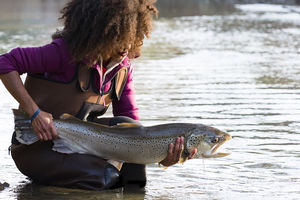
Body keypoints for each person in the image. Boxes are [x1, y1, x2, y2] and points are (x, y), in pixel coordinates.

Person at [0, 0, 196, 191]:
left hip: (81, 144)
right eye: (121, 38)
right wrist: (34, 113)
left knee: (133, 135)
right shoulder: (62, 53)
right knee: (104, 178)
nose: (130, 49)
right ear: (102, 32)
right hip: (36, 147)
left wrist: (161, 157)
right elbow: (4, 63)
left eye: (133, 38)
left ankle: (135, 193)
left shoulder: (123, 68)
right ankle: (48, 189)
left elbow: (133, 128)